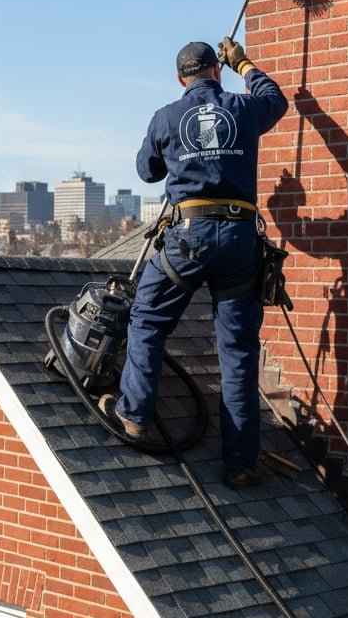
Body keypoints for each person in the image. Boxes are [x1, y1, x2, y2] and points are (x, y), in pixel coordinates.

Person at [101, 36, 288, 488]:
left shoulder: (167, 117)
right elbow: (275, 99)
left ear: (180, 78)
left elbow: (148, 171)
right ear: (216, 71)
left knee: (146, 318)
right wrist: (243, 63)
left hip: (190, 238)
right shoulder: (241, 108)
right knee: (238, 352)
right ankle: (241, 461)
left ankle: (134, 413)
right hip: (241, 241)